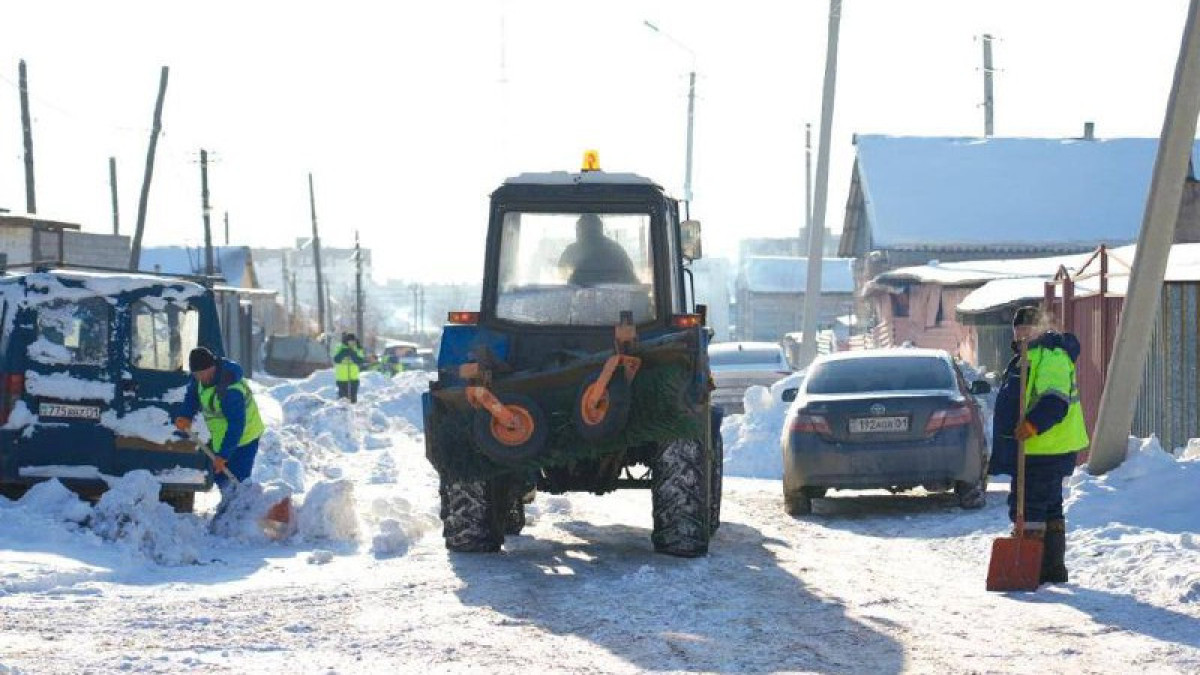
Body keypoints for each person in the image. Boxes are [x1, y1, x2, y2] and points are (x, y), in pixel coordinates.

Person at [989, 306, 1089, 584]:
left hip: (1045, 448)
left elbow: (1055, 401)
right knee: (1049, 508)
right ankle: (1051, 568)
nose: (1022, 333)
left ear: (1040, 329)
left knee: (1030, 508)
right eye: (1018, 329)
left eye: (1027, 328)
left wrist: (1032, 424)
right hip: (1035, 449)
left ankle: (1033, 568)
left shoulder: (1051, 357)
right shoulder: (1025, 358)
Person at [174, 347, 265, 498]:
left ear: (213, 367)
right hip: (222, 437)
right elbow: (192, 395)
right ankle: (228, 507)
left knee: (237, 481)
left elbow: (236, 426)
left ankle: (241, 513)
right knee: (221, 478)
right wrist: (186, 415)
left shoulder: (230, 390)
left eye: (203, 373)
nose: (201, 378)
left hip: (245, 438)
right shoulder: (199, 380)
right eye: (197, 375)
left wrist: (224, 455)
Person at [557, 213, 640, 286]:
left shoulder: (615, 251)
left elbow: (632, 283)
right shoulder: (572, 250)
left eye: (590, 230)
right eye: (580, 229)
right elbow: (562, 272)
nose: (586, 234)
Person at [334, 333, 366, 403]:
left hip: (353, 378)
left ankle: (352, 411)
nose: (352, 343)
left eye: (353, 341)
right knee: (343, 399)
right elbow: (336, 359)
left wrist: (353, 354)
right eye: (350, 341)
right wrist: (343, 352)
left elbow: (360, 361)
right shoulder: (339, 348)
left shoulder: (358, 349)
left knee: (353, 398)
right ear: (346, 341)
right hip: (342, 378)